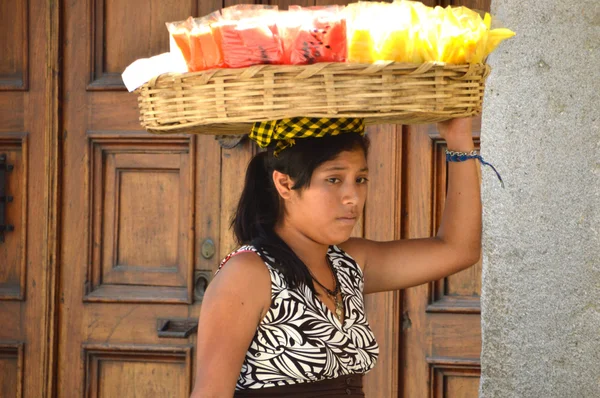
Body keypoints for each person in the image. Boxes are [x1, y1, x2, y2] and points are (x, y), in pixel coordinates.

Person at [190, 116, 486, 397]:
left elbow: (458, 249)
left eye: (360, 179)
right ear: (285, 184)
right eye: (334, 180)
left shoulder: (348, 264)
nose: (353, 197)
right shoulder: (249, 273)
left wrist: (459, 140)